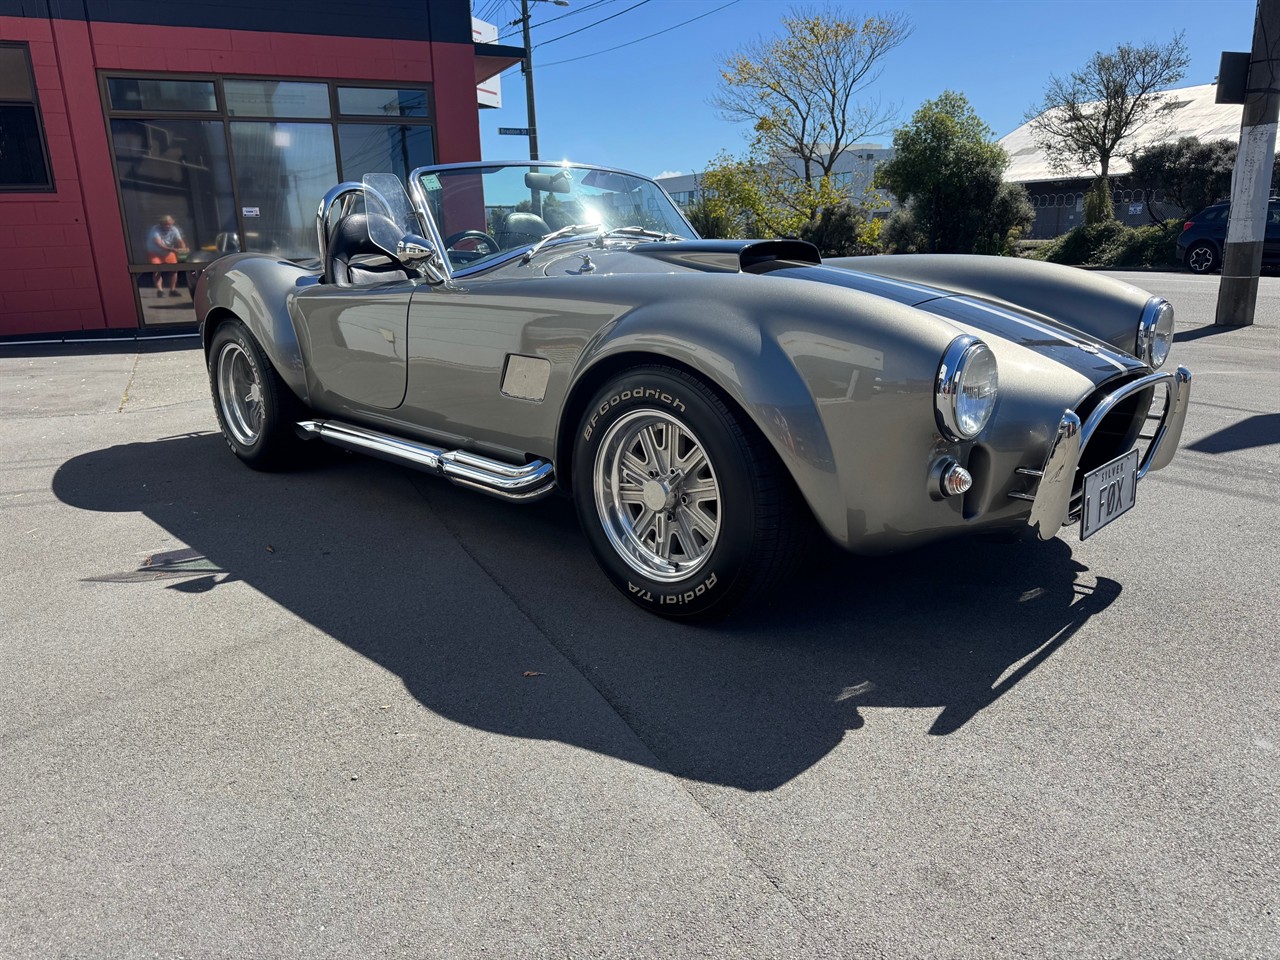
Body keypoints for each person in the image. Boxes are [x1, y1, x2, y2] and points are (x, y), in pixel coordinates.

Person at [146, 215, 188, 297]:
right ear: (161, 224)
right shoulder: (155, 230)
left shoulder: (174, 229)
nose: (168, 226)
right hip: (155, 251)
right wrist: (173, 250)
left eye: (169, 224)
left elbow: (180, 240)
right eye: (166, 224)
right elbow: (159, 244)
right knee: (156, 270)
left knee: (174, 270)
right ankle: (160, 290)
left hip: (168, 251)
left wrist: (183, 249)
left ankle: (172, 290)